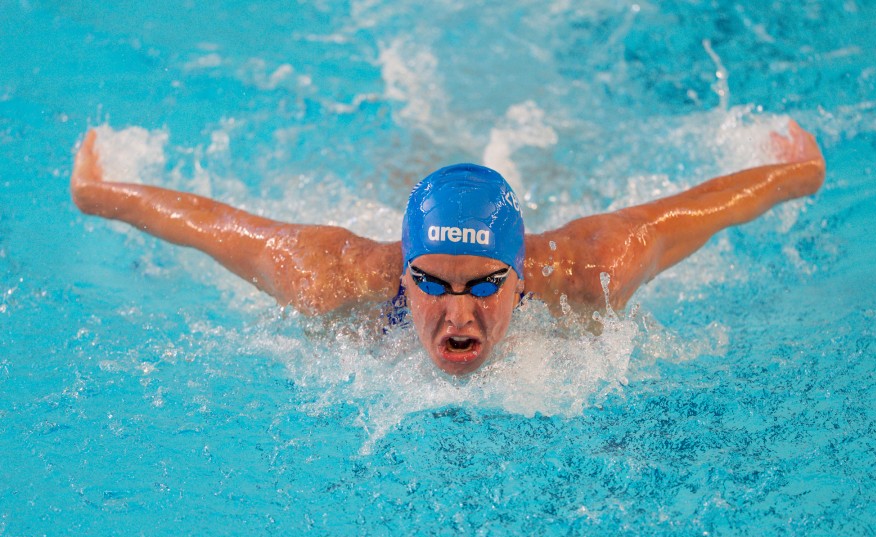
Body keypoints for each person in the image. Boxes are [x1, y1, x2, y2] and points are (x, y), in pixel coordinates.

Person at [70, 121, 825, 375]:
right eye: (431, 283)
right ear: (403, 272)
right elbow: (208, 224)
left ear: (521, 277)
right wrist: (100, 194)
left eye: (485, 284)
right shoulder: (329, 275)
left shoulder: (594, 267)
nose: (458, 314)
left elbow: (703, 209)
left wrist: (795, 175)